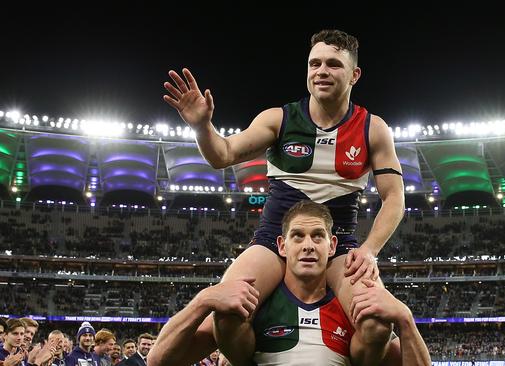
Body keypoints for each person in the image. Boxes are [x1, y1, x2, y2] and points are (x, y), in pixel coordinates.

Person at [162, 28, 404, 364]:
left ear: (354, 74)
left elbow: (394, 198)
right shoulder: (279, 119)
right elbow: (223, 155)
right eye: (314, 63)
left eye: (333, 64)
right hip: (273, 240)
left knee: (377, 323)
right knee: (227, 311)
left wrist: (370, 250)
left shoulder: (372, 128)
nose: (321, 71)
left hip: (340, 245)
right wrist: (202, 127)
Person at [150, 200, 430, 366]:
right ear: (282, 246)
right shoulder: (255, 301)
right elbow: (158, 360)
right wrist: (203, 299)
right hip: (246, 341)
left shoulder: (352, 307)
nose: (308, 245)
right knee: (227, 317)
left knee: (377, 326)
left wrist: (405, 319)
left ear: (332, 246)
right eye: (298, 236)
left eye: (317, 236)